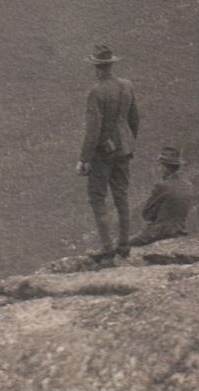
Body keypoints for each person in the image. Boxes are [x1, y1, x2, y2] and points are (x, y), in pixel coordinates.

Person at [76, 44, 140, 262]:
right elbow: (134, 120)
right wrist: (129, 143)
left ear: (96, 67)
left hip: (103, 152)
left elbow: (93, 129)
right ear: (111, 64)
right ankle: (124, 246)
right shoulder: (127, 86)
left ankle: (107, 249)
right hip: (125, 149)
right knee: (122, 197)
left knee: (97, 197)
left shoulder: (96, 92)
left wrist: (84, 159)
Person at [129, 146, 195, 247]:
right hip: (179, 231)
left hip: (159, 232)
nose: (158, 169)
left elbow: (146, 214)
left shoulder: (162, 186)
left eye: (159, 166)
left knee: (122, 245)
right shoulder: (188, 185)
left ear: (165, 167)